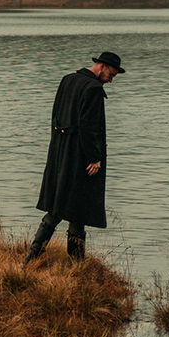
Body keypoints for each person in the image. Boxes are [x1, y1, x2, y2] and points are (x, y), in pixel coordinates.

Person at [25, 51, 124, 264]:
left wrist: (57, 146)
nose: (111, 80)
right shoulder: (93, 89)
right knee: (76, 206)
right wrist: (94, 158)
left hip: (60, 152)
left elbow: (55, 115)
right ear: (102, 66)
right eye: (111, 75)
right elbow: (89, 126)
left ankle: (35, 256)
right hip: (80, 157)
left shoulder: (68, 79)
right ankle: (74, 263)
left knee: (65, 205)